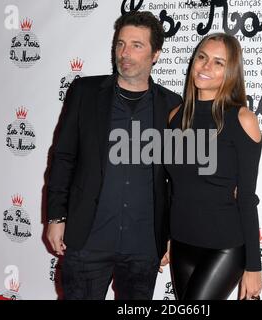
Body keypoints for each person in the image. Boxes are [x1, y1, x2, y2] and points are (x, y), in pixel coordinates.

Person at [46, 11, 181, 300]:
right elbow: (63, 157)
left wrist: (172, 234)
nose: (125, 53)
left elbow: (176, 180)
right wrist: (56, 216)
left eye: (136, 45)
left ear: (155, 54)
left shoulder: (173, 105)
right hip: (87, 239)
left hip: (144, 246)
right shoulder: (85, 92)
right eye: (120, 44)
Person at [166, 33, 262, 300]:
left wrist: (253, 266)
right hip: (182, 242)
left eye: (218, 63)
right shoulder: (176, 117)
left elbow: (246, 197)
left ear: (230, 72)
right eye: (202, 57)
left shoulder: (242, 119)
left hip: (225, 246)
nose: (206, 66)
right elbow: (173, 188)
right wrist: (165, 235)